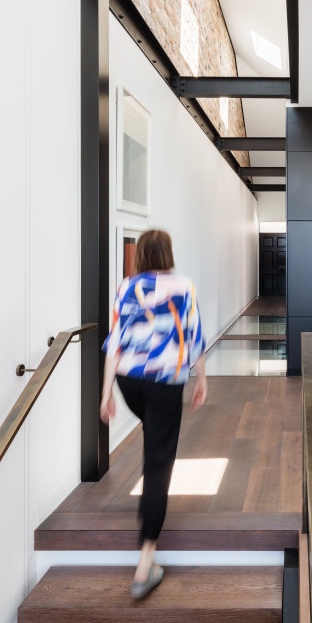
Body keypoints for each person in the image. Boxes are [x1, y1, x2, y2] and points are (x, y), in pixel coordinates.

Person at [100, 228, 207, 599]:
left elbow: (115, 341)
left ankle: (148, 535)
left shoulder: (126, 287)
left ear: (141, 255)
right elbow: (193, 335)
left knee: (154, 439)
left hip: (130, 382)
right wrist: (201, 379)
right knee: (159, 462)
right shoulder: (183, 285)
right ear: (168, 254)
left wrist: (105, 394)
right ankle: (146, 562)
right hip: (164, 382)